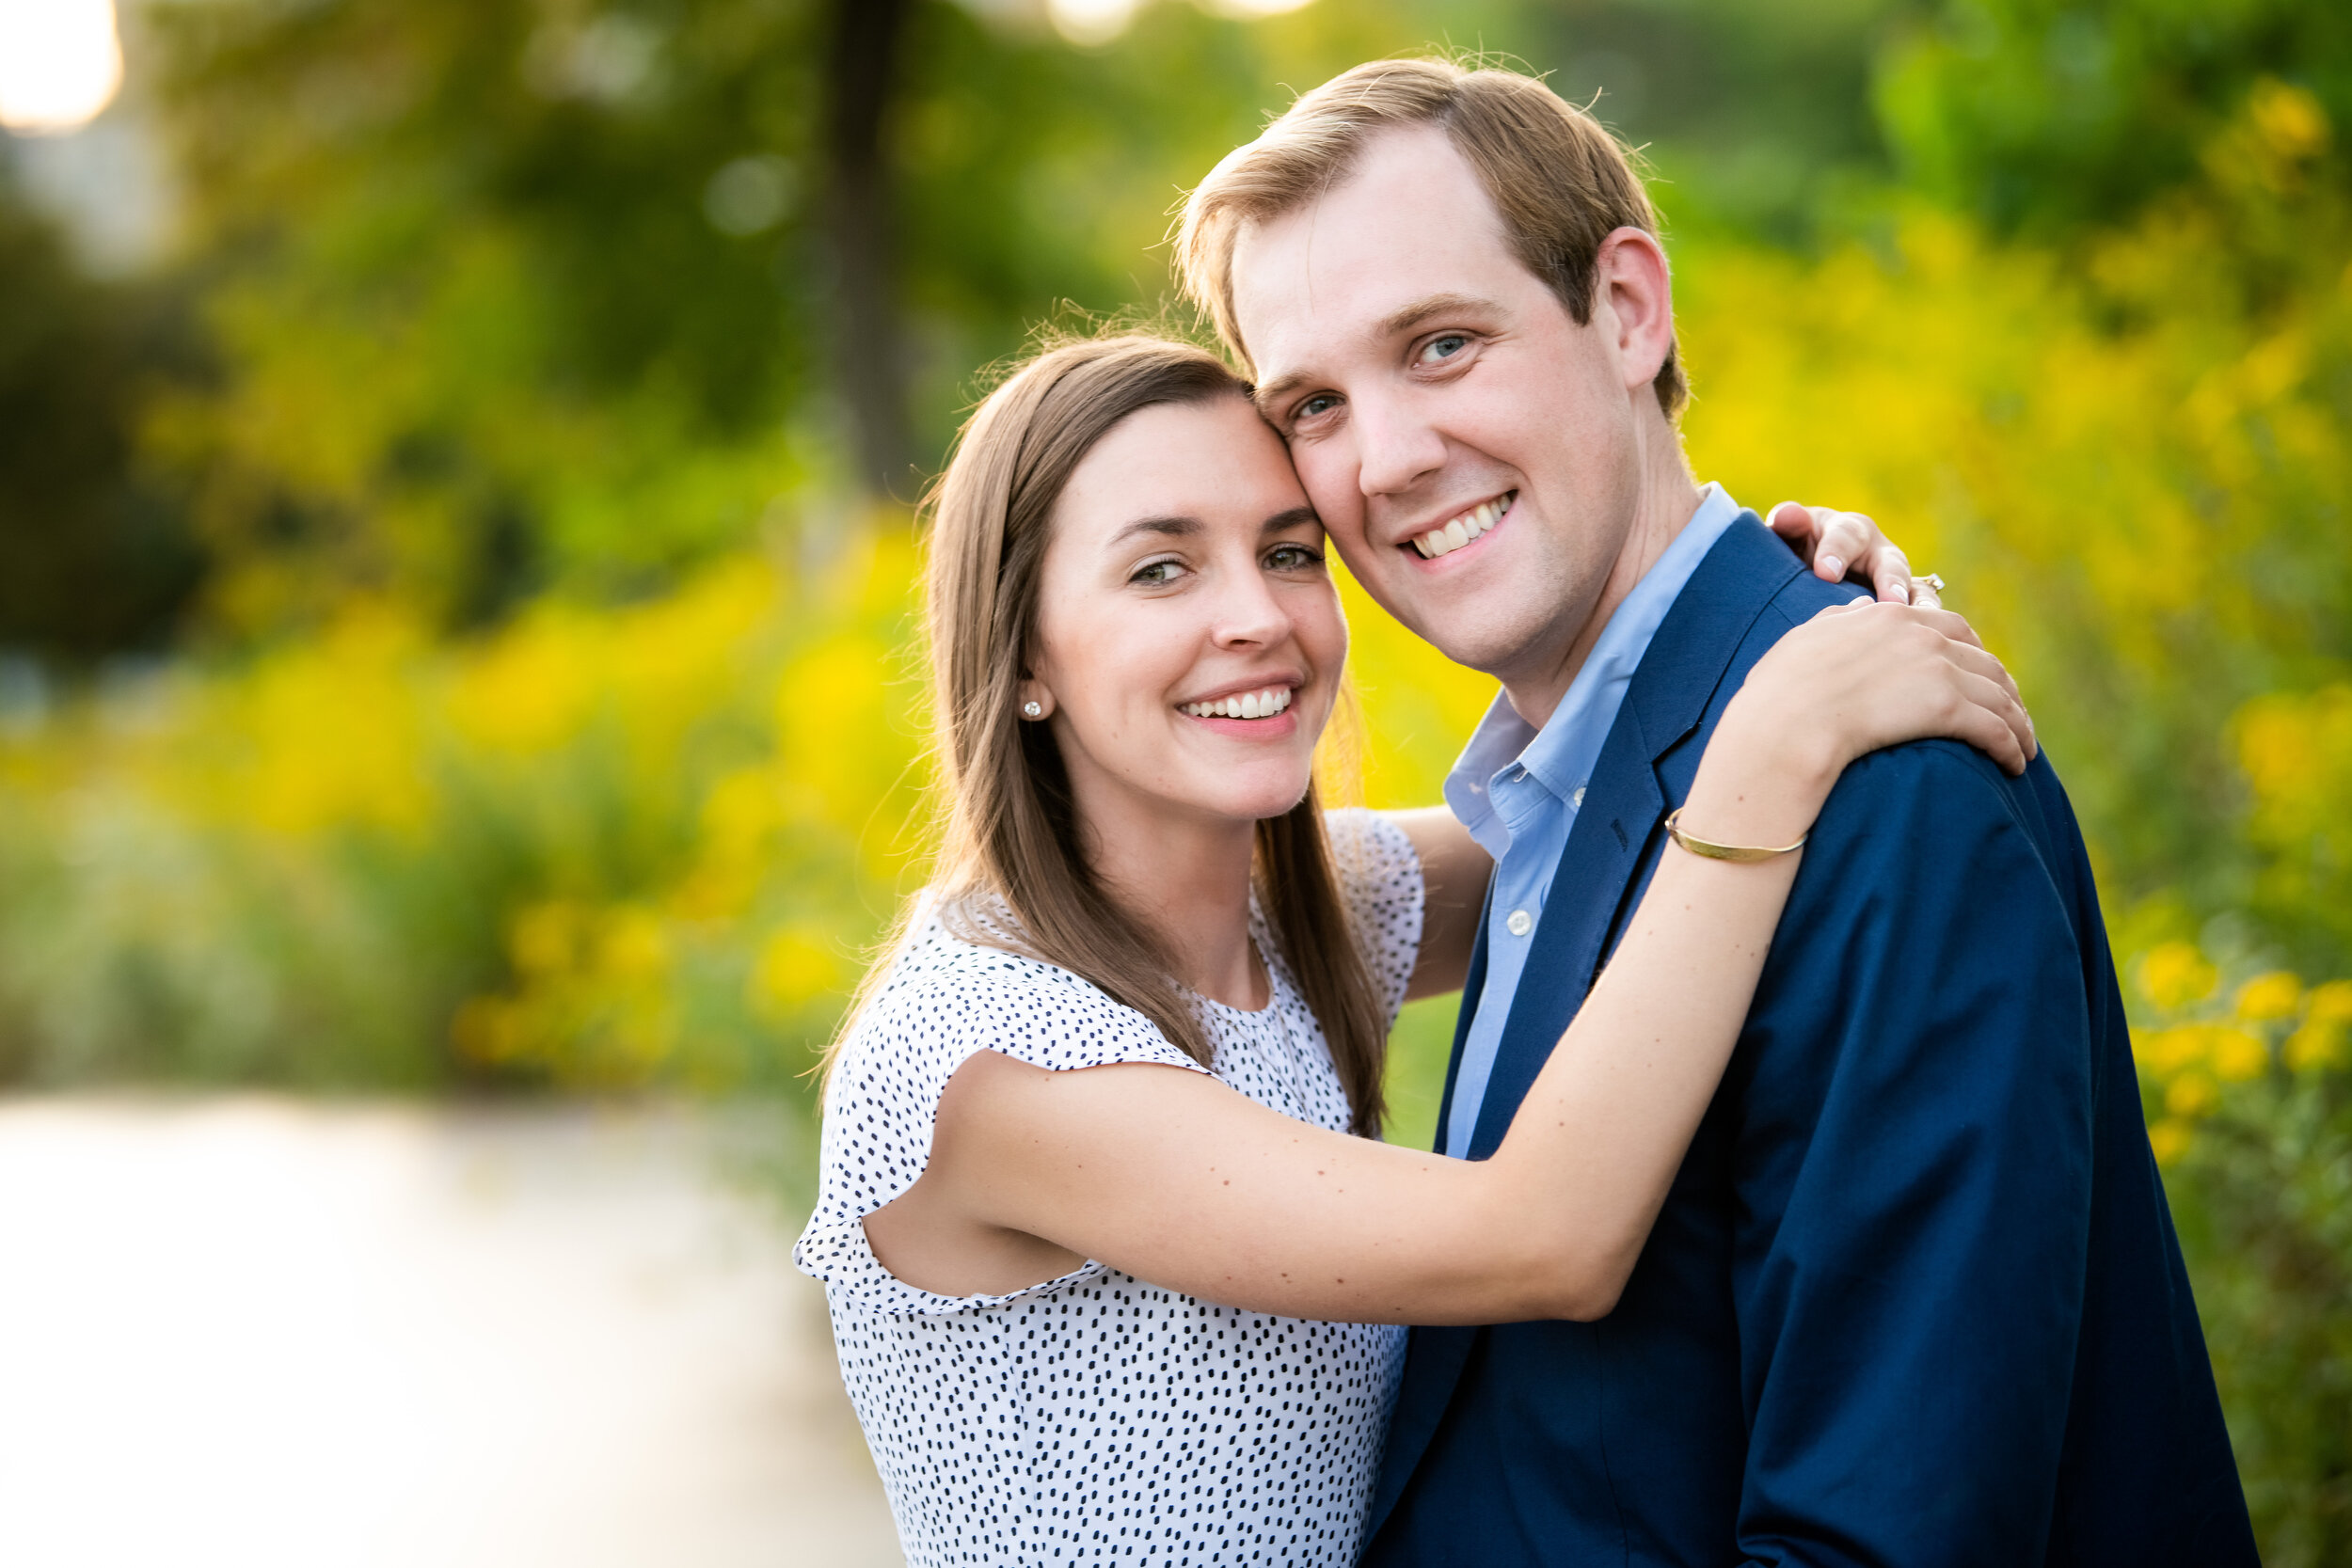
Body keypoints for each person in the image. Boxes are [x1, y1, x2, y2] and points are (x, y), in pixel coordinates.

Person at [1176, 55, 2258, 1567]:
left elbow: (1883, 1541)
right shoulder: (1568, 792)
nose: (1388, 461)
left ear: (1628, 308)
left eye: (1440, 344)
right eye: (1314, 404)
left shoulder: (1886, 793)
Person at [794, 330, 2038, 1566]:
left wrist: (1775, 609)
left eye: (1288, 553)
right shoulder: (995, 1063)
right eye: (1163, 571)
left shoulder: (1297, 915)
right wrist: (1774, 745)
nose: (1255, 619)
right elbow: (1547, 1237)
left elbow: (1599, 814)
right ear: (1020, 661)